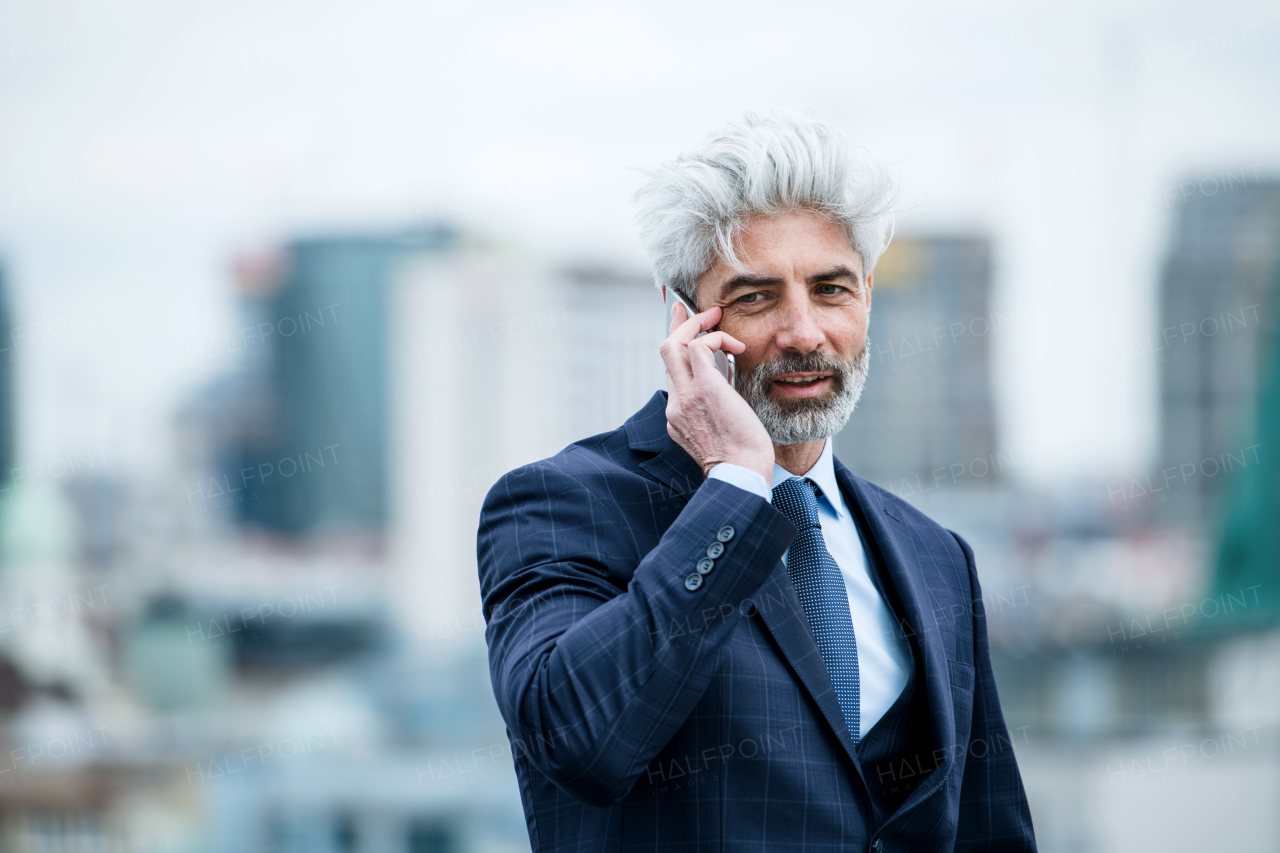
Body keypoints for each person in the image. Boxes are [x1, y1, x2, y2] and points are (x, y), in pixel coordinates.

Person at [476, 112, 1036, 852]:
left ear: (867, 297)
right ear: (683, 319)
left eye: (831, 290)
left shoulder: (937, 557)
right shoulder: (561, 504)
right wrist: (735, 486)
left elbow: (989, 831)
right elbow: (578, 739)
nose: (803, 332)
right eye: (757, 296)